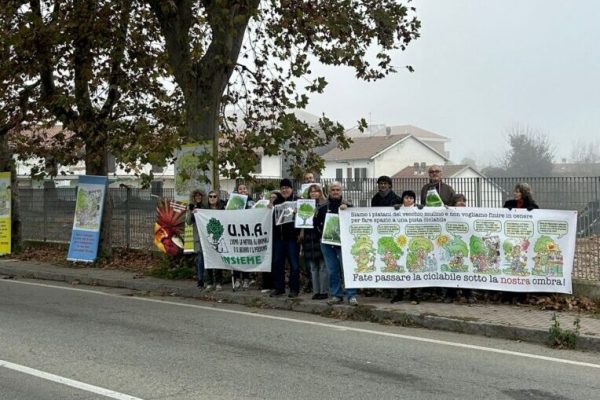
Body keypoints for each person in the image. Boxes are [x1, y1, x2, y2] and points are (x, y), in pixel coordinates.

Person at [316, 181, 358, 305]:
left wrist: (347, 210)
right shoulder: (323, 207)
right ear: (329, 191)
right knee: (332, 270)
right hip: (327, 244)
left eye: (338, 190)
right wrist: (322, 236)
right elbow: (316, 223)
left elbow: (355, 222)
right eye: (333, 190)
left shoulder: (349, 206)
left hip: (344, 244)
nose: (335, 192)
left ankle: (351, 295)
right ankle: (336, 295)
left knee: (347, 269)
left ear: (341, 191)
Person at [501, 183, 539, 305]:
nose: (515, 193)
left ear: (524, 193)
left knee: (521, 267)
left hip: (524, 242)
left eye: (518, 191)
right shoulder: (508, 204)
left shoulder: (532, 207)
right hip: (510, 240)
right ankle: (507, 295)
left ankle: (521, 296)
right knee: (510, 267)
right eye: (515, 191)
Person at [270, 178, 301, 298]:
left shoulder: (298, 201)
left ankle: (294, 289)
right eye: (282, 188)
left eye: (287, 188)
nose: (284, 190)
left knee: (294, 264)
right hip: (279, 238)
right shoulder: (276, 202)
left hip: (292, 238)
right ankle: (279, 288)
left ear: (291, 189)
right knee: (277, 263)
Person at [391, 190, 423, 304]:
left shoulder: (420, 209)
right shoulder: (396, 209)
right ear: (402, 199)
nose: (408, 200)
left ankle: (414, 296)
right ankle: (399, 294)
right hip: (400, 244)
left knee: (414, 269)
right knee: (400, 269)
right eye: (406, 197)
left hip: (413, 244)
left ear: (414, 200)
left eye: (411, 198)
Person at [299, 184, 328, 300]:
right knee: (313, 267)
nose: (314, 193)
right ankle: (316, 291)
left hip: (319, 237)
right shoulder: (304, 205)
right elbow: (302, 222)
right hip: (308, 238)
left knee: (322, 266)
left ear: (320, 193)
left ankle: (324, 291)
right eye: (311, 192)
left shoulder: (325, 205)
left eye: (316, 191)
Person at [203, 190, 225, 291]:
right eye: (210, 196)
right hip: (208, 237)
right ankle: (209, 282)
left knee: (218, 260)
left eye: (214, 196)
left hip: (220, 237)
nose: (212, 198)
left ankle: (219, 282)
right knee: (209, 260)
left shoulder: (222, 209)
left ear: (218, 198)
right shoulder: (204, 210)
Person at [185, 189, 206, 289]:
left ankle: (205, 279)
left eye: (199, 196)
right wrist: (190, 211)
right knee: (200, 258)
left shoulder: (205, 207)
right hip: (198, 237)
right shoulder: (191, 207)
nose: (198, 197)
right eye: (196, 196)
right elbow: (188, 222)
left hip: (206, 236)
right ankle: (200, 279)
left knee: (204, 258)